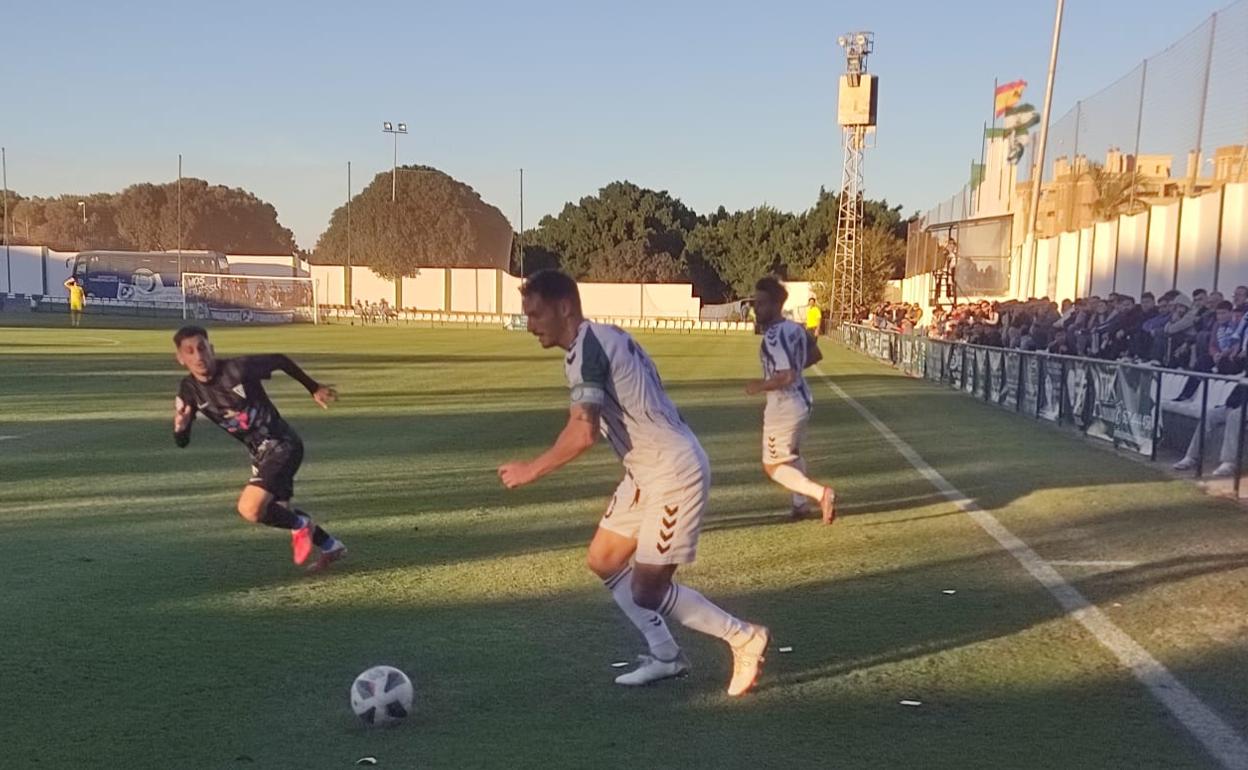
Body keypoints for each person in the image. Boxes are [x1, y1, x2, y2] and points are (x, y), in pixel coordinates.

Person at [497, 270, 769, 695]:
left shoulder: (589, 347)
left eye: (535, 314)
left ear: (564, 307)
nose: (530, 325)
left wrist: (531, 469)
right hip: (644, 472)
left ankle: (744, 637)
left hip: (672, 472)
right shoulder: (599, 338)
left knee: (647, 588)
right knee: (604, 559)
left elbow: (583, 431)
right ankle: (666, 656)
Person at [171, 325, 346, 572]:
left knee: (249, 508)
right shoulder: (189, 389)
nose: (198, 356)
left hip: (281, 443)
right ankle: (330, 545)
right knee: (275, 511)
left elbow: (279, 360)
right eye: (190, 351)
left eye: (202, 348)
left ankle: (301, 524)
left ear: (212, 349)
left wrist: (313, 387)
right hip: (260, 453)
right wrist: (181, 427)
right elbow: (182, 441)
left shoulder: (238, 369)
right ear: (181, 358)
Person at [747, 278, 837, 522]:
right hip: (802, 399)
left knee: (773, 466)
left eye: (762, 303)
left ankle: (820, 493)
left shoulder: (774, 337)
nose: (757, 308)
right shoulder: (796, 328)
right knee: (792, 454)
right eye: (756, 303)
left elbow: (785, 376)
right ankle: (799, 505)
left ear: (777, 304)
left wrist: (759, 386)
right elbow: (815, 354)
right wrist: (795, 368)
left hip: (784, 405)